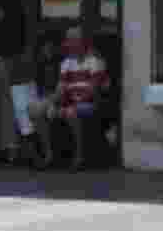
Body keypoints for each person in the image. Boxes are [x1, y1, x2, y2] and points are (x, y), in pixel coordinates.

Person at [29, 26, 110, 171]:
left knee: (70, 112)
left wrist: (67, 107)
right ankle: (49, 155)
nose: (68, 43)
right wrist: (50, 103)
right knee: (36, 109)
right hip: (72, 102)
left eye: (72, 40)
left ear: (82, 42)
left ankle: (79, 157)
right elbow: (61, 90)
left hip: (91, 103)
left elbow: (94, 91)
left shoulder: (95, 61)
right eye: (68, 40)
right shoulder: (66, 63)